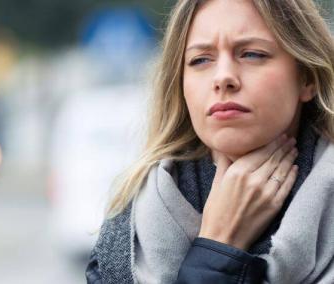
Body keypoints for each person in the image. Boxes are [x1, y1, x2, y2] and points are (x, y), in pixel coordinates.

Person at [86, 0, 334, 283]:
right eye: (201, 60)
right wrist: (219, 243)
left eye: (252, 54)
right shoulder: (127, 234)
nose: (223, 77)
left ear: (306, 78)